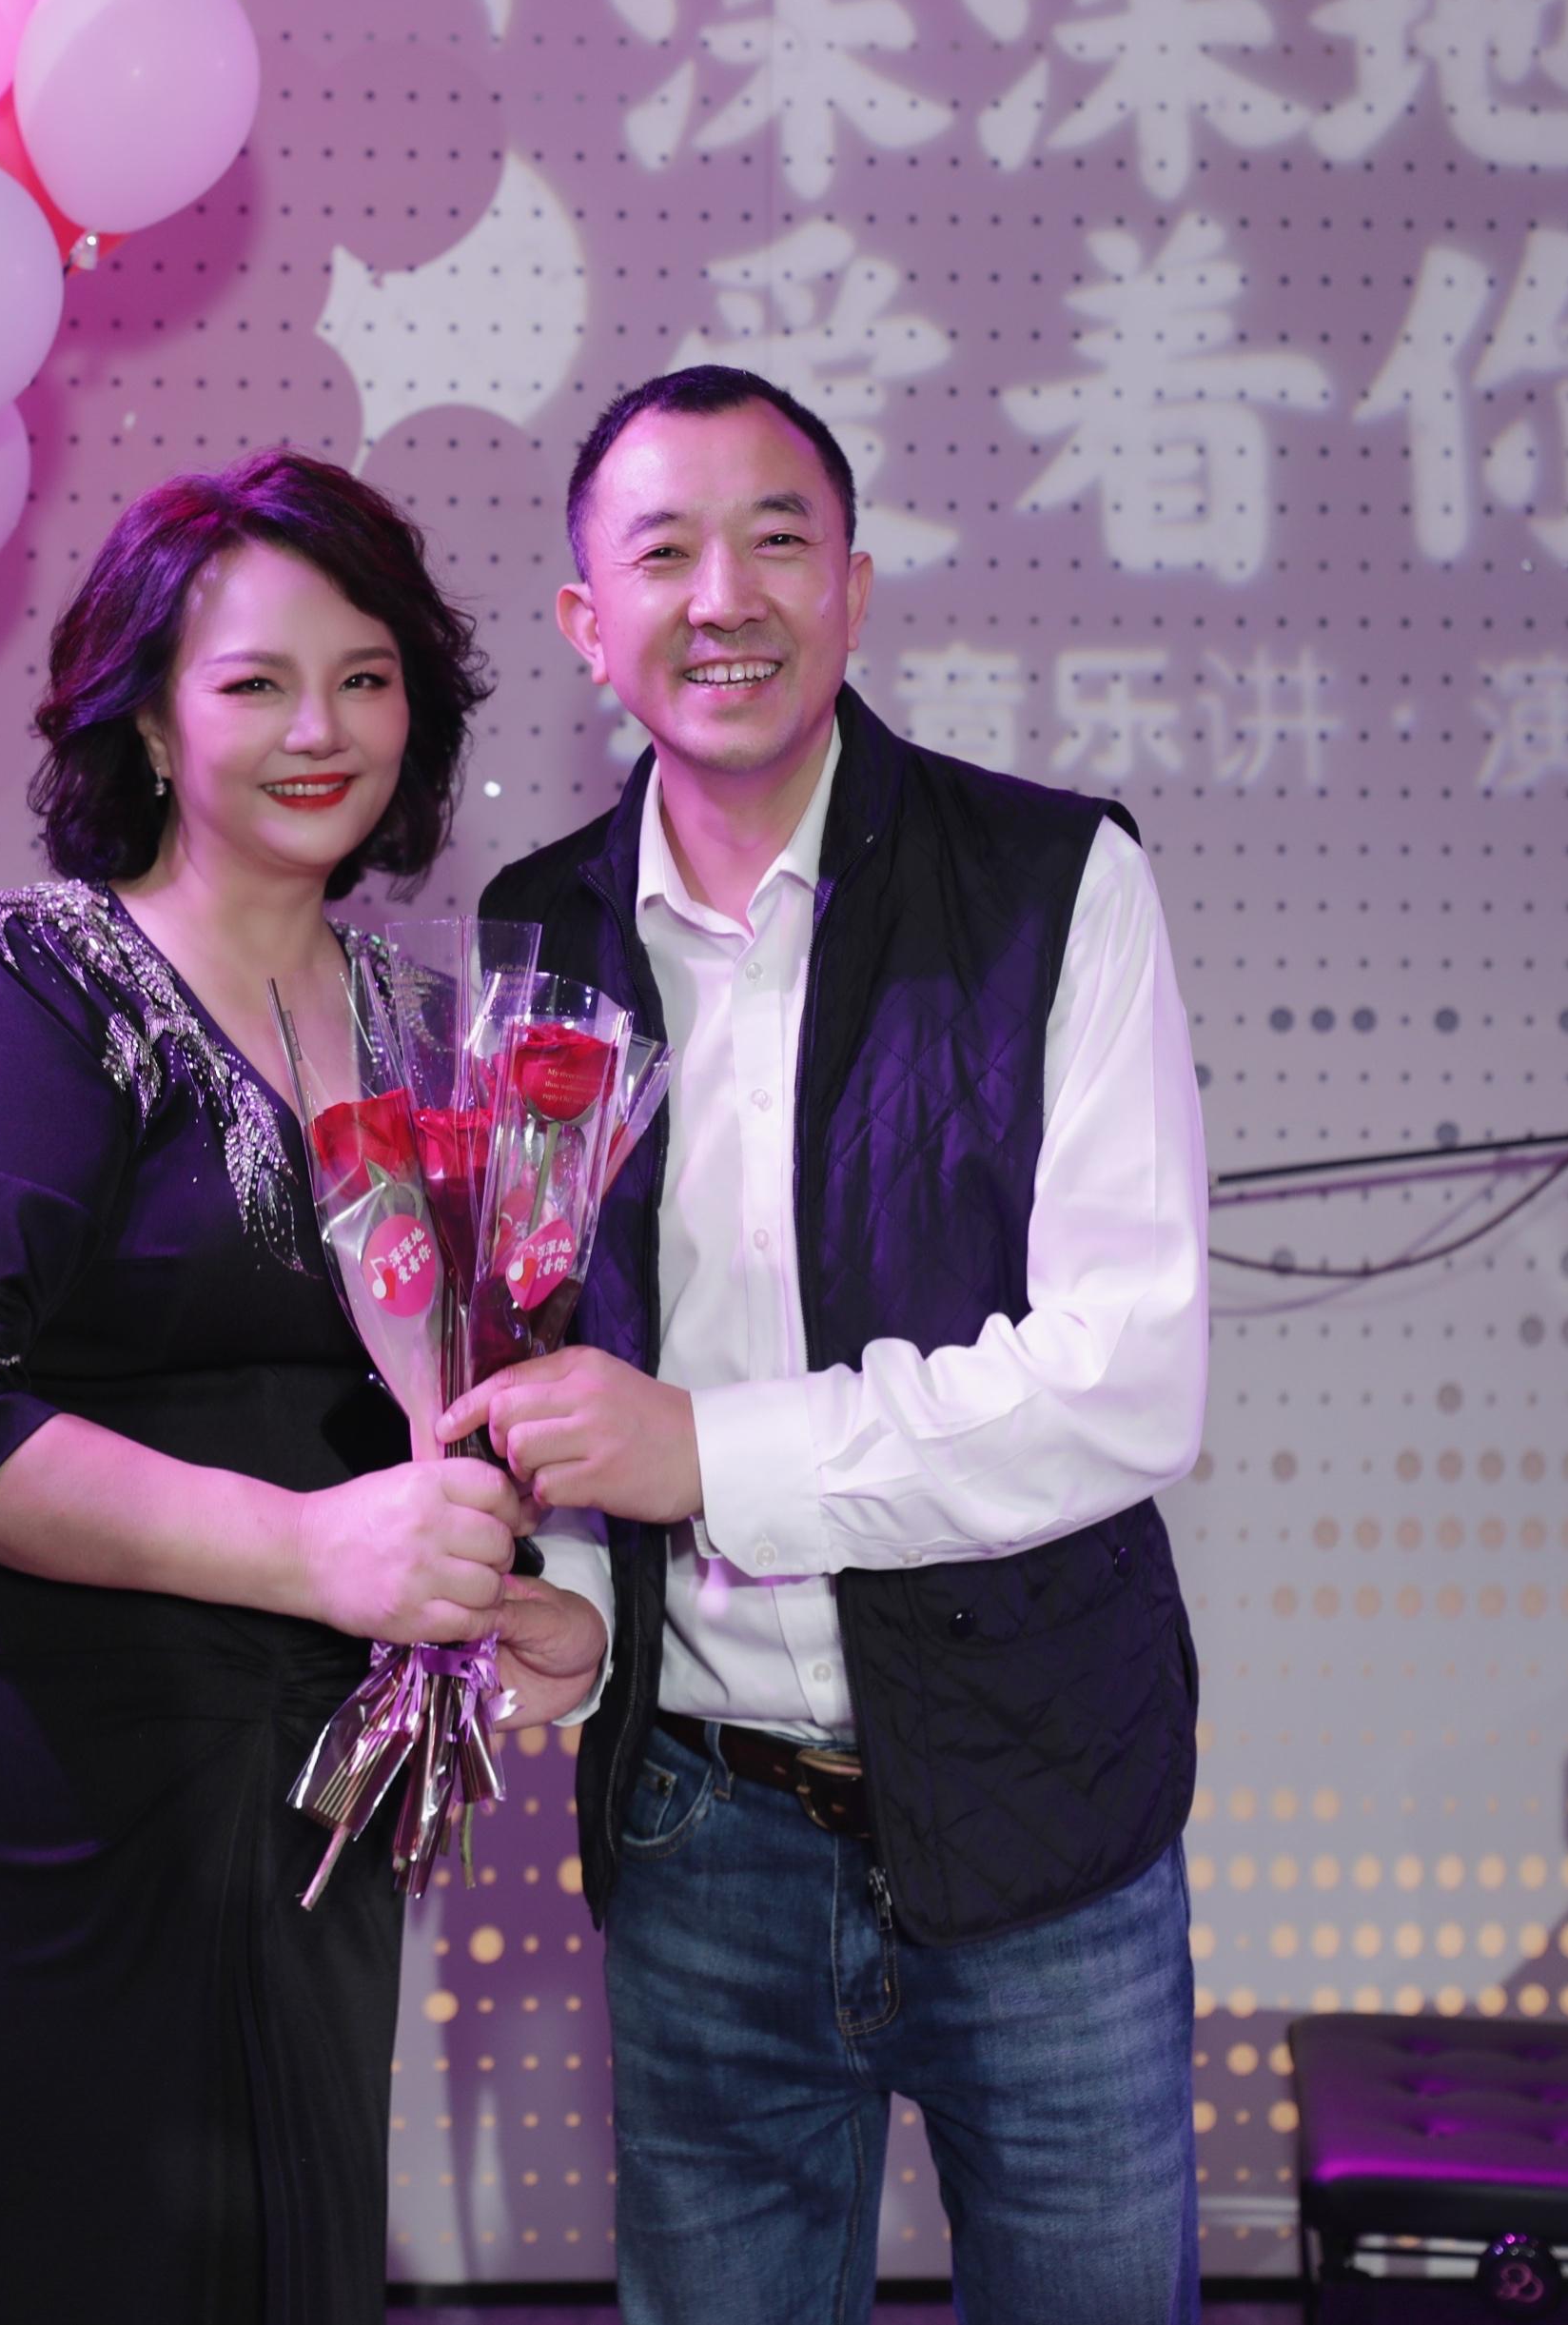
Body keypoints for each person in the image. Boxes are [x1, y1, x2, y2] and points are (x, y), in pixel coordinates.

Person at [441, 368, 1213, 2324]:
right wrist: (569, 1598)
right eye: (664, 553)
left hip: (1041, 1816)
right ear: (586, 622)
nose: (726, 597)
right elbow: (547, 1341)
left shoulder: (1053, 884)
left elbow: (1127, 1371)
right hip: (701, 1824)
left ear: (855, 588)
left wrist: (709, 1453)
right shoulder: (537, 935)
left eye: (777, 540)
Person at [0, 451, 609, 2325]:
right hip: (52, 1776)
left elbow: (440, 1409)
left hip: (313, 1790)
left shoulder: (438, 1025)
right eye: (256, 680)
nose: (318, 729)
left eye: (365, 676)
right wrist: (309, 1550)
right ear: (150, 716)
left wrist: (511, 1587)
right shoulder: (46, 971)